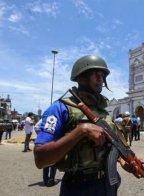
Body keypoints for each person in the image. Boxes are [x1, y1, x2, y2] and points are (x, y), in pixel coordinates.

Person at [34, 55, 133, 196]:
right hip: (79, 187)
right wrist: (81, 131)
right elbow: (40, 159)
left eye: (102, 75)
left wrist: (123, 160)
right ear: (80, 77)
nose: (100, 79)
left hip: (108, 184)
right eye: (95, 74)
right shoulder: (61, 108)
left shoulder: (103, 112)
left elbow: (110, 146)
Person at [35, 119, 57, 186]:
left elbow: (36, 127)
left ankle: (45, 180)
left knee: (46, 162)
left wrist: (40, 136)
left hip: (44, 143)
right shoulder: (56, 118)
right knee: (54, 162)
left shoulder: (43, 119)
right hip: (53, 141)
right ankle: (51, 180)